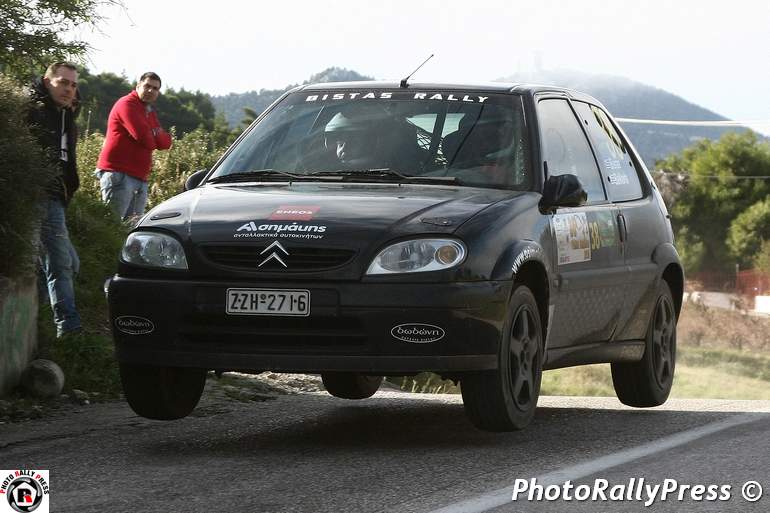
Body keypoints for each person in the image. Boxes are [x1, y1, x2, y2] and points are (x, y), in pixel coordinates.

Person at [28, 62, 82, 338]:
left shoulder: (65, 114)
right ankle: (68, 328)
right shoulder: (34, 110)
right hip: (36, 194)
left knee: (64, 263)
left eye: (73, 85)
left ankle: (39, 326)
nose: (68, 89)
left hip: (57, 195)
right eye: (63, 82)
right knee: (59, 263)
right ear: (47, 82)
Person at [96, 72, 172, 220]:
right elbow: (145, 139)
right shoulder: (127, 104)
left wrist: (153, 133)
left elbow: (165, 143)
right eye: (147, 86)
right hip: (119, 174)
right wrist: (155, 133)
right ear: (138, 86)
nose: (151, 90)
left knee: (132, 231)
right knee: (112, 226)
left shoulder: (149, 111)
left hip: (139, 178)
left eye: (155, 88)